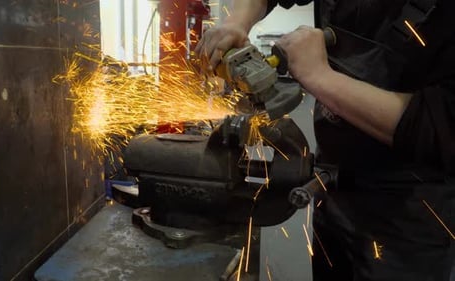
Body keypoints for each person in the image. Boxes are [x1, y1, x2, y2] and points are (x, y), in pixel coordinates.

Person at [195, 0, 455, 280]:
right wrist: (236, 21)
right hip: (330, 188)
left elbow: (445, 125)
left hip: (409, 214)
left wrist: (319, 77)